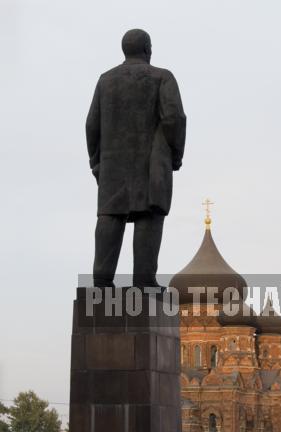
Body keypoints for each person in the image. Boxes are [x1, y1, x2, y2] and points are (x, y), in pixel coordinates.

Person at [86, 29, 186, 287]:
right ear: (148, 49)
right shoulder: (162, 77)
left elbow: (91, 125)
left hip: (112, 166)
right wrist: (174, 155)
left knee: (110, 216)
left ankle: (101, 282)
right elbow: (174, 118)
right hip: (152, 163)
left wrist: (97, 163)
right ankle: (144, 281)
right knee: (148, 216)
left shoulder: (105, 81)